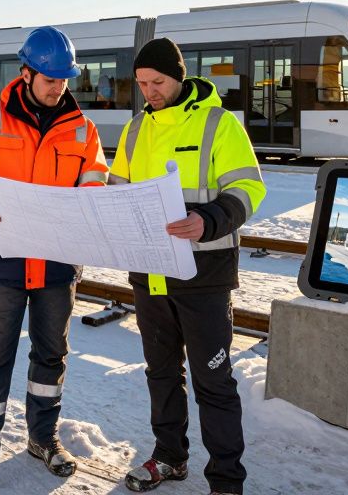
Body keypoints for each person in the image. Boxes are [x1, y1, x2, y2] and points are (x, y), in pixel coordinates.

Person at [0, 26, 110, 495]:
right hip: (3, 261)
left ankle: (43, 439)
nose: (58, 86)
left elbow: (95, 174)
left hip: (57, 265)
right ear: (27, 72)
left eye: (64, 79)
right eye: (50, 78)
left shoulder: (83, 128)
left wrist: (90, 198)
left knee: (51, 356)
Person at [111, 38, 266, 495]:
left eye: (157, 82)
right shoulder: (135, 128)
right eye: (141, 83)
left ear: (178, 77)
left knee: (213, 381)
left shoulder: (220, 123)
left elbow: (248, 190)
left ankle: (225, 481)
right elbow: (119, 189)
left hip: (204, 276)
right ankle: (170, 458)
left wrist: (208, 220)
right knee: (160, 374)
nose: (149, 91)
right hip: (150, 274)